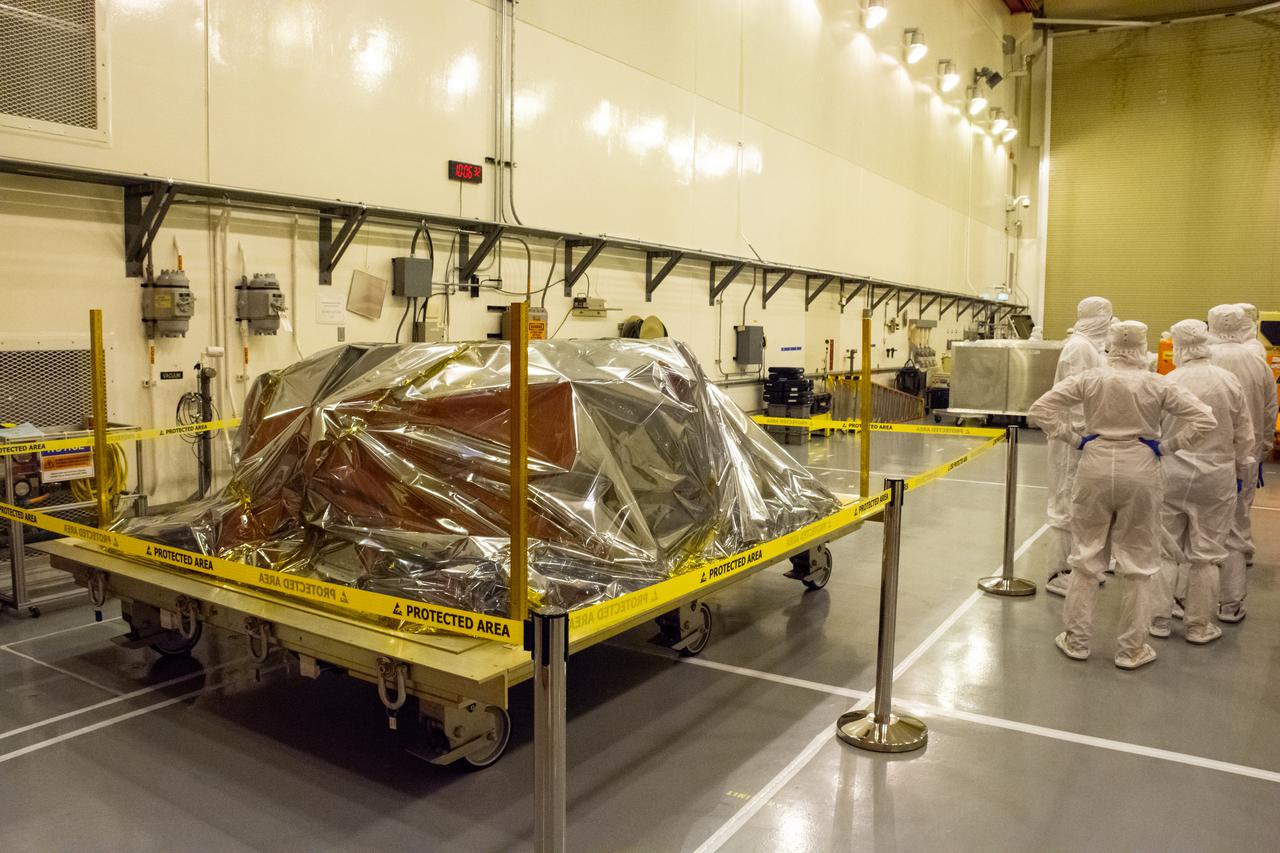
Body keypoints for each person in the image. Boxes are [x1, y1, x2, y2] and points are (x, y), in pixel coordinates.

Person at [1029, 321, 1216, 669]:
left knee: (1086, 557)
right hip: (1141, 467)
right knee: (1139, 563)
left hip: (1095, 464)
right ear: (1142, 346)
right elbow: (1205, 420)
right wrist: (1167, 446)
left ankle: (1076, 639)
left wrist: (1073, 437)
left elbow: (1040, 409)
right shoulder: (1155, 382)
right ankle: (1132, 649)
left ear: (1110, 345)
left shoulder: (1090, 379)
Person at [1152, 320, 1254, 645]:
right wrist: (1240, 472)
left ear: (1178, 346)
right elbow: (1244, 434)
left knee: (1166, 549)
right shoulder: (1228, 381)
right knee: (1206, 553)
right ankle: (1198, 626)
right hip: (1216, 477)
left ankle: (1158, 619)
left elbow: (1154, 431)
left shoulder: (1168, 380)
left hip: (1172, 474)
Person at [1208, 304, 1277, 621]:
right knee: (1236, 526)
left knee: (1192, 528)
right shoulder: (1256, 360)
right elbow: (1268, 407)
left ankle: (1183, 601)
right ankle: (1230, 603)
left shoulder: (1202, 357)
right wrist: (1262, 446)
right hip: (1243, 455)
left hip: (1201, 455)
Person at [1043, 297, 1112, 597]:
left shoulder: (1090, 347)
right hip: (1072, 439)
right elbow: (1075, 395)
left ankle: (1077, 567)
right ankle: (1058, 572)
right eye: (1107, 317)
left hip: (1084, 438)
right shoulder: (1079, 347)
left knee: (1078, 504)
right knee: (1064, 502)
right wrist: (1082, 436)